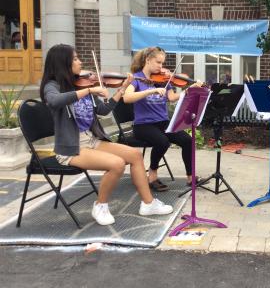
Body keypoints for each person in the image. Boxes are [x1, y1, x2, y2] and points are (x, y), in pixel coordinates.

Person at [40, 44, 173, 226]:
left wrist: (121, 89)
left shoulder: (82, 82)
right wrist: (89, 91)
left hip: (92, 140)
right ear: (63, 63)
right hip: (71, 148)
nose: (80, 62)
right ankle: (100, 205)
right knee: (117, 164)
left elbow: (103, 110)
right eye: (76, 59)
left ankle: (148, 204)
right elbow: (54, 101)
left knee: (134, 155)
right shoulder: (53, 86)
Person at [123, 47, 203, 191]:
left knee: (187, 140)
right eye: (158, 62)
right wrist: (151, 90)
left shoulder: (163, 80)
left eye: (162, 63)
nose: (161, 67)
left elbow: (172, 98)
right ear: (148, 60)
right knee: (163, 142)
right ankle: (152, 174)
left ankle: (191, 177)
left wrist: (190, 89)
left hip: (162, 122)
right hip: (143, 125)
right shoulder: (136, 78)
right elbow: (127, 98)